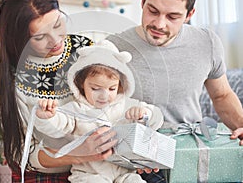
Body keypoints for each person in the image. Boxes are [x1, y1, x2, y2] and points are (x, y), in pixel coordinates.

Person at [102, 0, 243, 182]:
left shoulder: (207, 42)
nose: (159, 24)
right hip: (138, 160)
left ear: (190, 14)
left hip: (191, 150)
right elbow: (99, 110)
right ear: (143, 0)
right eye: (153, 11)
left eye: (172, 17)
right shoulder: (113, 47)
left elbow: (222, 95)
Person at [0, 0, 118, 182]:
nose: (55, 40)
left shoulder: (86, 50)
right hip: (47, 173)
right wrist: (78, 153)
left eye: (58, 24)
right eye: (40, 37)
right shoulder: (13, 79)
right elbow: (21, 152)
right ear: (20, 40)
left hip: (101, 168)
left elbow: (117, 102)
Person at [35, 45, 164, 183]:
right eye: (95, 88)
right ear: (80, 85)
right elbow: (57, 126)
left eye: (112, 88)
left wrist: (145, 113)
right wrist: (48, 117)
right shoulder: (76, 109)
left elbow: (157, 118)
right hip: (89, 174)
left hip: (125, 172)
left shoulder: (127, 106)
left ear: (120, 85)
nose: (104, 96)